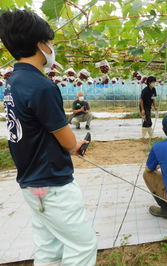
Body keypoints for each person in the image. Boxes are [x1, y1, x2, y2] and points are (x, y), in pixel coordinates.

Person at [0, 10, 97, 265]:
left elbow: (35, 128)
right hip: (53, 183)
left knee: (48, 248)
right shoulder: (41, 86)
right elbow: (66, 141)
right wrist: (75, 145)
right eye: (50, 43)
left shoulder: (13, 81)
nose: (52, 48)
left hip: (31, 182)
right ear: (40, 44)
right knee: (82, 247)